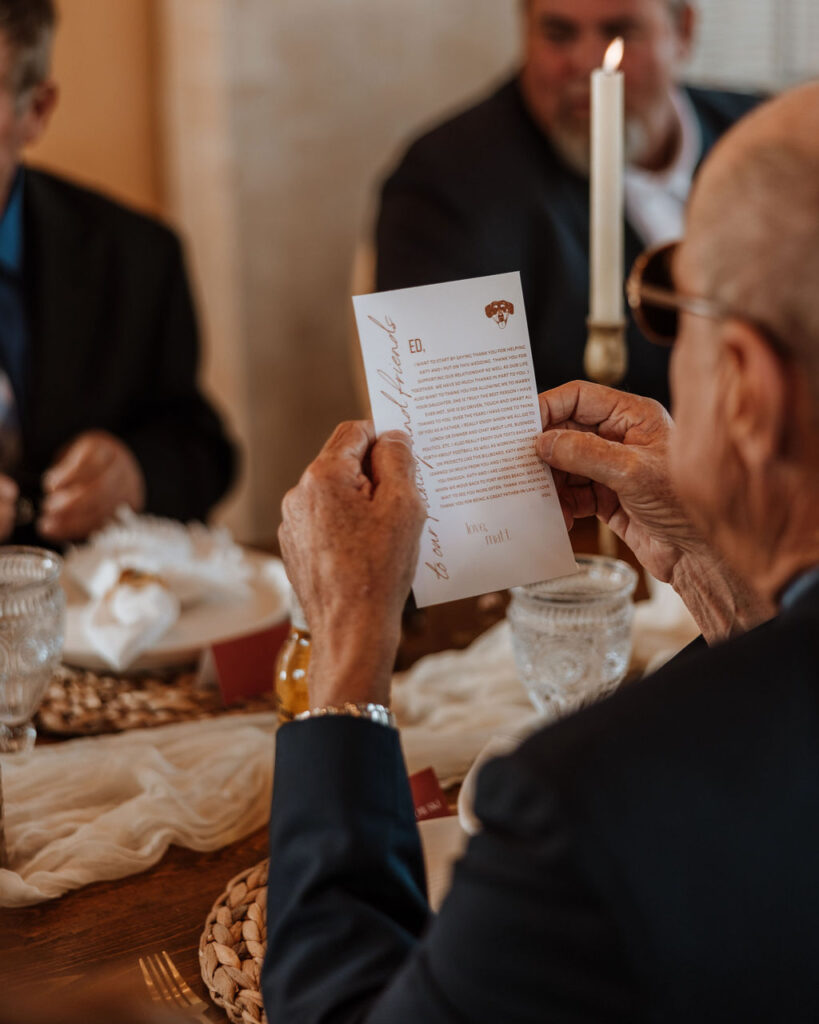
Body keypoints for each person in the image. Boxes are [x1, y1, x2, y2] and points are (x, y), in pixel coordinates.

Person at [263, 82, 819, 1021]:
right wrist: (723, 583)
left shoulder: (584, 811)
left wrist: (351, 639)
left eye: (671, 312)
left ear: (746, 388)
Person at [375, 0, 760, 409]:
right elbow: (452, 421)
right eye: (559, 35)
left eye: (620, 33)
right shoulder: (449, 181)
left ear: (683, 30)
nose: (589, 63)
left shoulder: (766, 137)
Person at [0, 0, 236, 545]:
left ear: (36, 109)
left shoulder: (136, 255)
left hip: (94, 610)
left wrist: (136, 474)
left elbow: (202, 450)